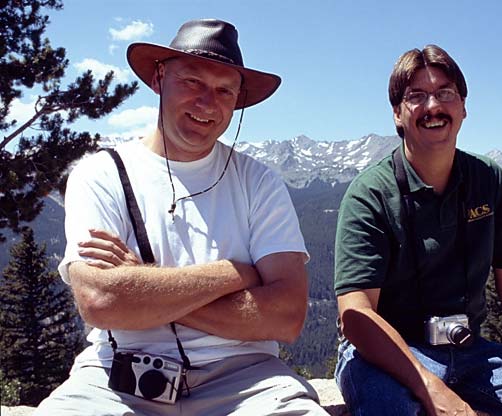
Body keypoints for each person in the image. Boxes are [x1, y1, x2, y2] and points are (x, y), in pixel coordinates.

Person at [35, 19, 328, 415]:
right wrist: (235, 273)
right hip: (115, 377)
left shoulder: (259, 182)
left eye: (224, 90)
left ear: (237, 100)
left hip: (248, 380)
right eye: (192, 82)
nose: (207, 103)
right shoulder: (100, 173)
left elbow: (288, 316)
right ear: (159, 79)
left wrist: (140, 288)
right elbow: (102, 302)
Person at [333, 44, 502, 415]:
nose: (433, 107)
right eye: (416, 97)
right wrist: (430, 388)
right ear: (397, 113)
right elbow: (356, 313)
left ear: (462, 107)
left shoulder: (488, 180)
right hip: (382, 357)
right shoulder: (371, 194)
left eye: (445, 93)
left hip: (471, 351)